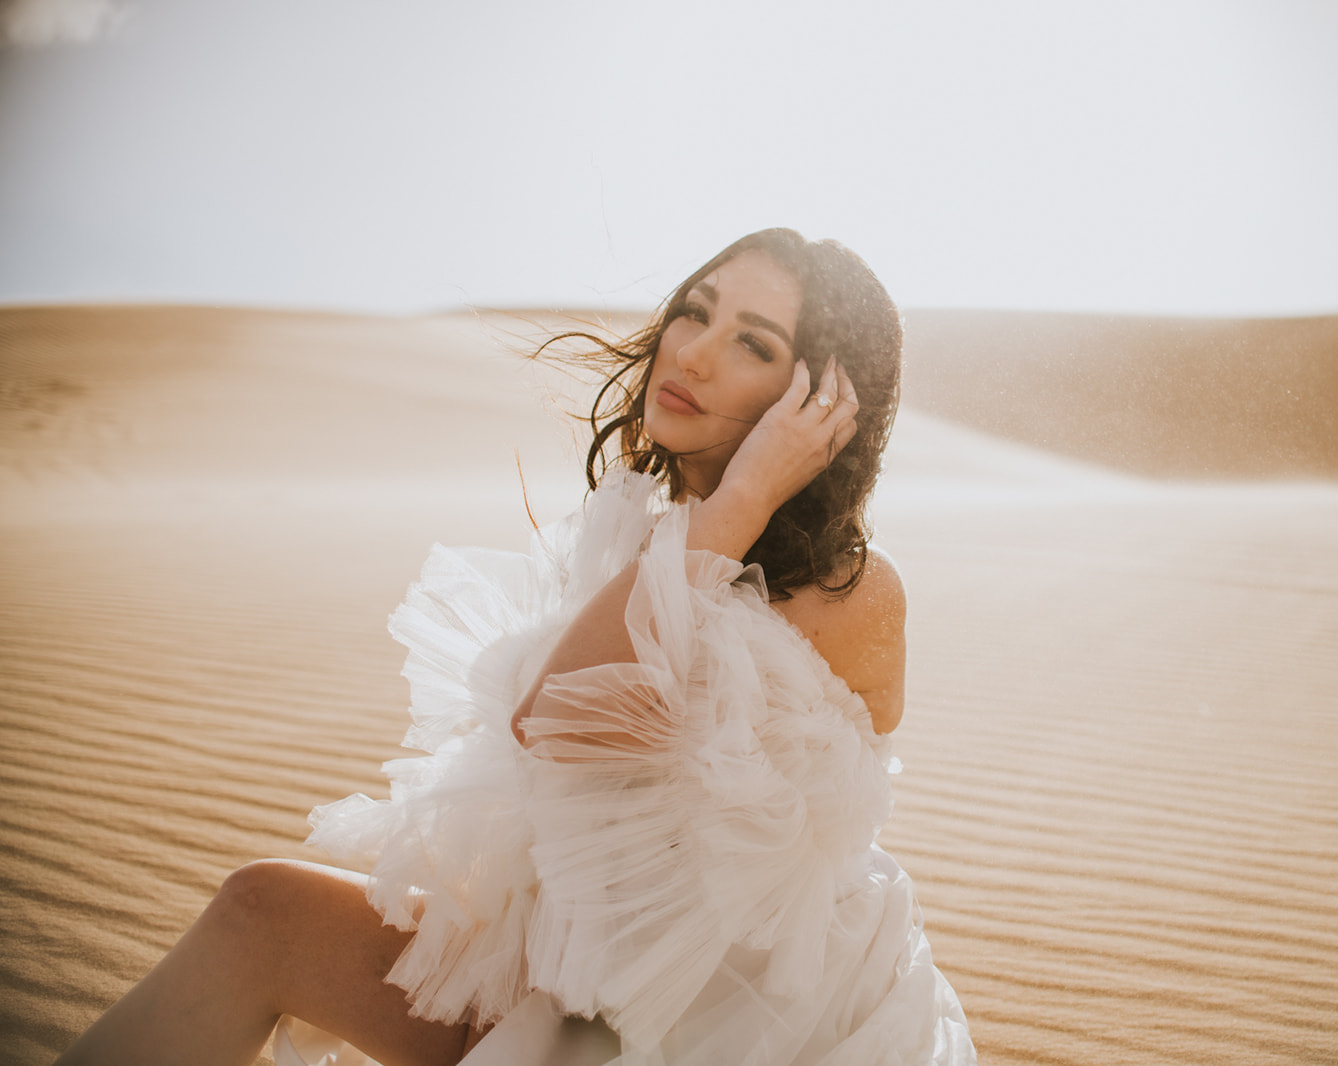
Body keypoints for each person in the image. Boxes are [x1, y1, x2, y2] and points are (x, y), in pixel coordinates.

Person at [57, 228, 976, 1066]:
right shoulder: (656, 531)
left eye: (753, 344)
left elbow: (561, 723)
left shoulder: (849, 590)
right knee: (264, 911)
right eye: (695, 310)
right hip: (571, 974)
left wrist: (739, 505)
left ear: (817, 402)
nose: (691, 350)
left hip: (717, 1028)